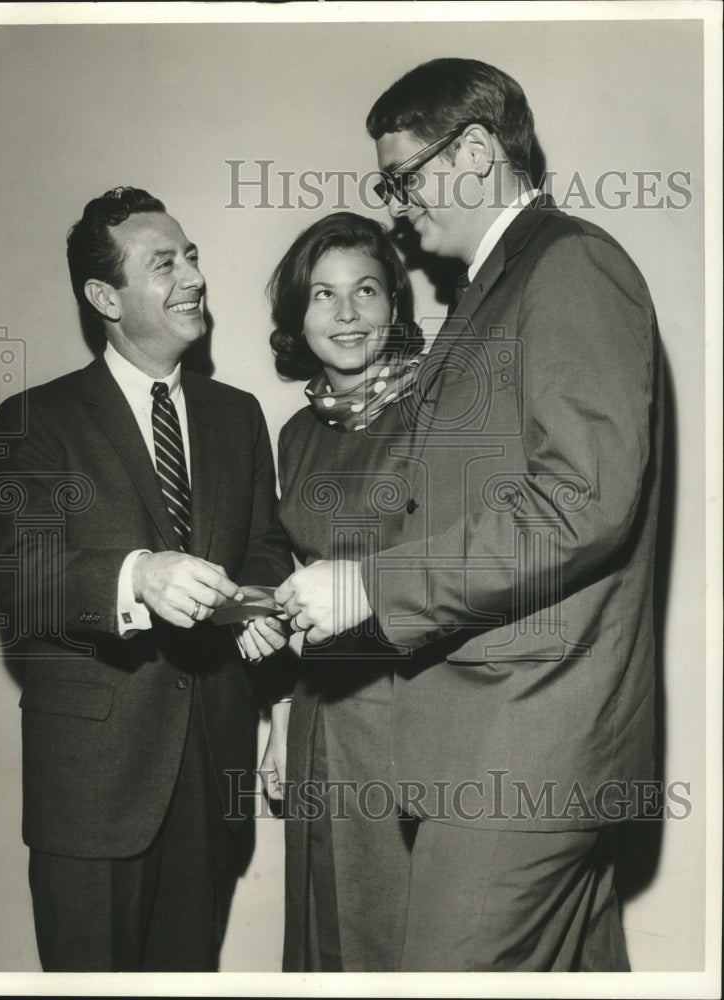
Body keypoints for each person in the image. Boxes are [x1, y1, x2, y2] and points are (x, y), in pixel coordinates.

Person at [275, 59, 664, 971]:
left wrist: (370, 584)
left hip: (525, 746)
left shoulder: (569, 264)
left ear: (478, 151)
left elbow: (582, 499)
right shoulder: (495, 289)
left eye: (403, 177)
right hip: (504, 741)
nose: (398, 205)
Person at [0, 186, 292, 972]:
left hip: (211, 774)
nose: (192, 276)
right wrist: (138, 575)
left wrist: (254, 603)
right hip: (92, 791)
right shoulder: (35, 419)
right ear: (104, 296)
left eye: (191, 255)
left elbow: (264, 547)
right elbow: (25, 576)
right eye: (164, 263)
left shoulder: (238, 415)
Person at [259, 212, 426, 971]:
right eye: (323, 295)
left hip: (407, 714)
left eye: (366, 290)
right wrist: (279, 713)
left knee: (396, 937)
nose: (348, 314)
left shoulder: (437, 412)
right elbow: (291, 580)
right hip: (317, 721)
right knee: (323, 933)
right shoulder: (296, 435)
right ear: (299, 316)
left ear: (395, 304)